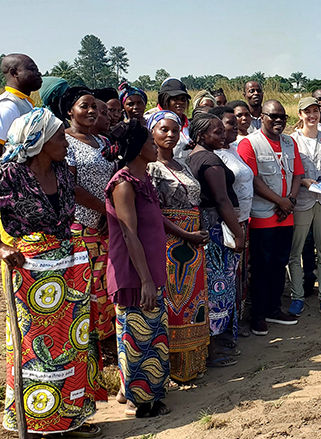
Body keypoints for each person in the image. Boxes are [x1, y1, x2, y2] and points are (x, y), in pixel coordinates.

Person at [0, 108, 103, 436]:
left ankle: (70, 418)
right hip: (30, 275)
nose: (65, 141)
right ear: (40, 141)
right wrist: (0, 247)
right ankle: (34, 422)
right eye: (60, 136)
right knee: (35, 348)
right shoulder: (10, 174)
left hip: (70, 270)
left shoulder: (61, 170)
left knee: (73, 345)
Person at [105, 119, 205, 417]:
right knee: (138, 337)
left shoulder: (142, 179)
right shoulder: (123, 184)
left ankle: (137, 391)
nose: (155, 146)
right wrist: (145, 280)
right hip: (134, 273)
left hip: (149, 268)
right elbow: (128, 233)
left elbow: (156, 218)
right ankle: (141, 401)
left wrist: (185, 235)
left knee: (152, 333)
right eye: (150, 143)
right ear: (138, 150)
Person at [146, 111, 212, 381]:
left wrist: (196, 234)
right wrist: (185, 234)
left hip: (193, 243)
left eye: (175, 130)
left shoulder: (182, 164)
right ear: (152, 133)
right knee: (172, 302)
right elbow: (153, 212)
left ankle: (191, 365)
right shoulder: (150, 168)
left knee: (193, 303)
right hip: (169, 242)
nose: (170, 135)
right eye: (164, 130)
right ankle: (170, 366)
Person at [237, 100, 303, 333]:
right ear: (262, 117)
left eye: (282, 117)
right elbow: (252, 179)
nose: (278, 121)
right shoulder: (249, 143)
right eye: (273, 116)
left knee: (279, 263)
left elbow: (297, 174)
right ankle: (258, 315)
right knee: (262, 267)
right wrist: (280, 201)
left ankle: (274, 309)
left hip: (286, 215)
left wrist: (291, 200)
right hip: (263, 216)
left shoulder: (289, 142)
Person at [187, 113, 246, 356]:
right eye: (217, 132)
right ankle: (216, 345)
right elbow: (222, 200)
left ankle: (214, 341)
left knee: (211, 286)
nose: (223, 135)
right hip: (217, 230)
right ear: (201, 136)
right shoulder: (209, 160)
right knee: (219, 288)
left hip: (209, 227)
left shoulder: (192, 157)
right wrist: (239, 234)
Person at [62, 86, 118, 345]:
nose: (91, 111)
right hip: (82, 226)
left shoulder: (104, 142)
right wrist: (105, 210)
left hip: (108, 224)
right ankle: (88, 342)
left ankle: (106, 339)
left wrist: (112, 213)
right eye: (84, 106)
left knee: (106, 282)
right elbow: (72, 187)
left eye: (94, 106)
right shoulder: (65, 142)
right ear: (70, 111)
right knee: (86, 285)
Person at [287, 97, 321, 317]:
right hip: (302, 201)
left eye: (315, 111)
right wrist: (302, 181)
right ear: (300, 115)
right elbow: (288, 172)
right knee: (296, 251)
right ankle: (297, 297)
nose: (312, 116)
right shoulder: (291, 141)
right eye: (307, 112)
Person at [211, 106, 254, 338]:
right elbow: (220, 196)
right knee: (226, 278)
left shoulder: (235, 149)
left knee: (240, 275)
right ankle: (225, 330)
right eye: (229, 124)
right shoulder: (213, 157)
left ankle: (237, 321)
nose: (235, 127)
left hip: (243, 220)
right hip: (228, 225)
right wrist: (237, 228)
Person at [0, 53, 42, 165]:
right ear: (14, 73)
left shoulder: (23, 102)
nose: (39, 74)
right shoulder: (8, 106)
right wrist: (9, 176)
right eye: (32, 69)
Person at [146, 78, 192, 162]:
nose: (180, 102)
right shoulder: (151, 119)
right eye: (175, 99)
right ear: (165, 99)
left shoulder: (189, 124)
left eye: (183, 99)